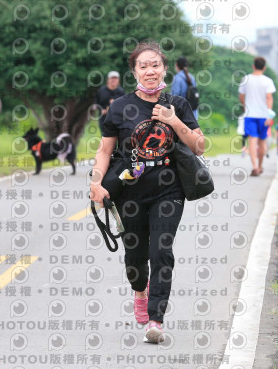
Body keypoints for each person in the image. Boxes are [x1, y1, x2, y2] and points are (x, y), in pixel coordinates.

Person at [90, 40, 204, 344]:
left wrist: (173, 120)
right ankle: (140, 291)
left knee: (161, 252)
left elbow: (199, 145)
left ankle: (156, 320)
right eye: (144, 65)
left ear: (164, 68)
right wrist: (97, 182)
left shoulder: (178, 104)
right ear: (135, 71)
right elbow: (104, 150)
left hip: (169, 191)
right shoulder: (119, 107)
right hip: (130, 193)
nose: (150, 70)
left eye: (155, 64)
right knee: (136, 258)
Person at [238, 56, 276, 177]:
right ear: (264, 68)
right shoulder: (268, 81)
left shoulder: (246, 79)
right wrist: (269, 113)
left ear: (253, 66)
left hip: (250, 115)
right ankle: (260, 166)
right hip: (264, 115)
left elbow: (241, 97)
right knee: (262, 141)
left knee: (252, 141)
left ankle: (254, 166)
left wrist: (245, 107)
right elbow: (269, 98)